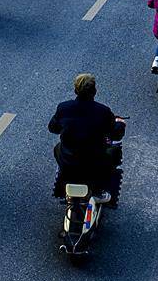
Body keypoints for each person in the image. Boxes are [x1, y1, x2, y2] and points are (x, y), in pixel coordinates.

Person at [48, 74, 119, 203]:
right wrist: (120, 124)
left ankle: (65, 181)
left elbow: (53, 128)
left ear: (75, 90)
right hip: (94, 163)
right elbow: (115, 133)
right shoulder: (103, 111)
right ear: (94, 91)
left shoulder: (64, 108)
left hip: (68, 161)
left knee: (58, 147)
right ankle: (100, 190)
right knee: (115, 151)